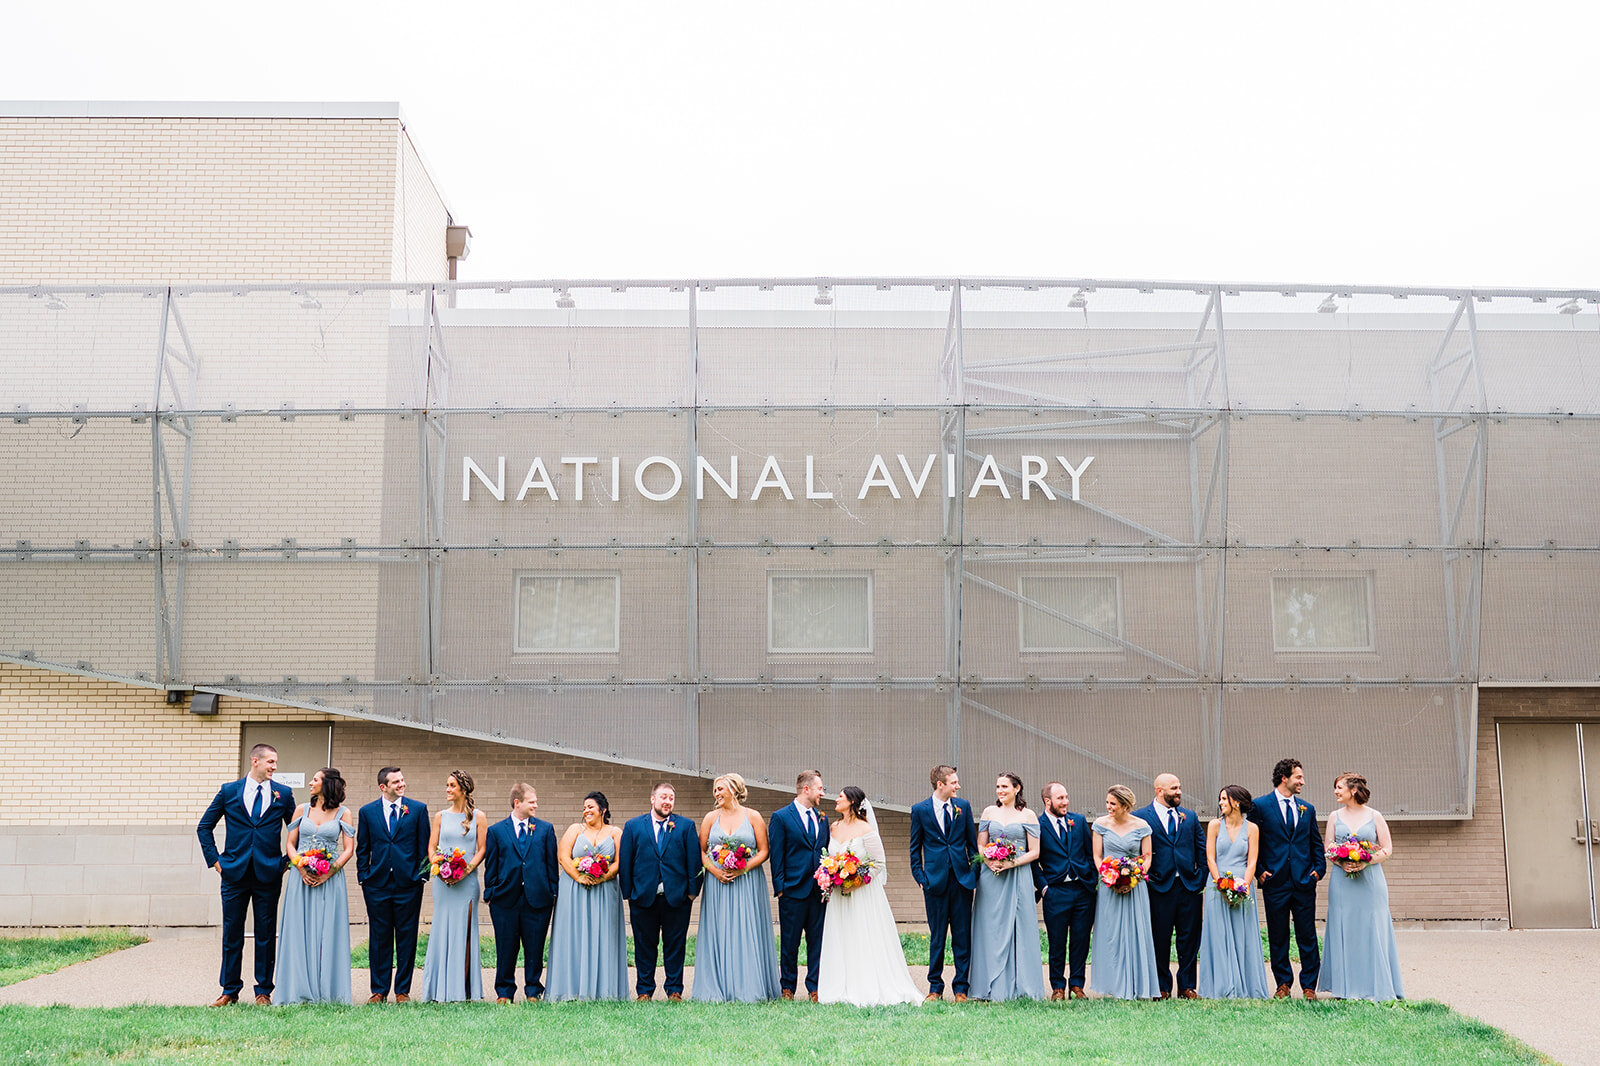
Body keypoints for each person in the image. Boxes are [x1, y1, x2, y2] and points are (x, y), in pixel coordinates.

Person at [196, 742, 295, 1006]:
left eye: (275, 762)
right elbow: (204, 827)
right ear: (255, 761)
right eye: (270, 762)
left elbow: (297, 831)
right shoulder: (229, 791)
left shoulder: (283, 794)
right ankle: (229, 990)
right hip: (233, 873)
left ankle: (263, 990)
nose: (274, 767)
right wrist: (216, 862)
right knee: (232, 934)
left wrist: (286, 862)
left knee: (265, 934)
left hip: (268, 874)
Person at [816, 786, 923, 1006]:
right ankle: (840, 985)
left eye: (841, 797)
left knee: (862, 936)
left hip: (862, 895)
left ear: (852, 802)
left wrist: (854, 883)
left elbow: (878, 864)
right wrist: (831, 875)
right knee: (841, 936)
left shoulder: (866, 829)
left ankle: (865, 984)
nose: (836, 799)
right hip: (838, 896)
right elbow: (829, 858)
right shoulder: (834, 827)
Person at [693, 772, 781, 1002]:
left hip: (748, 882)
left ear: (733, 789)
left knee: (747, 928)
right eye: (715, 790)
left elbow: (764, 851)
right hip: (717, 884)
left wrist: (743, 868)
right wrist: (715, 871)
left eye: (720, 789)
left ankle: (749, 986)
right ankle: (716, 986)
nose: (716, 794)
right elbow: (701, 851)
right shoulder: (710, 818)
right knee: (719, 929)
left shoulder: (753, 817)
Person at [1318, 772, 1404, 1001]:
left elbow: (1386, 849)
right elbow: (1328, 847)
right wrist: (1342, 861)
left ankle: (1377, 985)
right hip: (1341, 882)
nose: (1335, 791)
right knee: (1344, 927)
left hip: (1370, 882)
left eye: (1339, 787)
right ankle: (1343, 988)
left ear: (1353, 790)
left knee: (1372, 927)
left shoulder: (1375, 816)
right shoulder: (1335, 817)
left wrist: (1366, 860)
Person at [273, 767, 355, 1004]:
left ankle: (328, 991)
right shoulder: (302, 809)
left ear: (328, 784)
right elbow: (290, 843)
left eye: (316, 779)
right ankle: (297, 989)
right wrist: (299, 865)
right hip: (301, 879)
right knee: (300, 930)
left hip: (330, 880)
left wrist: (329, 872)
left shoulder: (344, 813)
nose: (311, 782)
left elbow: (349, 849)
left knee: (328, 931)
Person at [1249, 757, 1325, 999]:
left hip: (1304, 881)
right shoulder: (1260, 806)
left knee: (1307, 935)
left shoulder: (1307, 808)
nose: (1303, 781)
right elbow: (1253, 841)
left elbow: (1315, 842)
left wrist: (1318, 870)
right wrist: (1260, 871)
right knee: (1277, 934)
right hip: (1275, 882)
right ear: (1285, 778)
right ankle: (1283, 983)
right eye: (1298, 777)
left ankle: (1309, 985)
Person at [619, 781, 702, 1001]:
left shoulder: (685, 826)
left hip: (677, 899)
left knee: (675, 946)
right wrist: (628, 894)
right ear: (652, 799)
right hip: (643, 898)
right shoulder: (634, 826)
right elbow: (626, 862)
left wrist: (691, 894)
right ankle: (644, 990)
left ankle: (674, 989)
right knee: (644, 946)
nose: (667, 801)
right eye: (663, 797)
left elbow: (694, 863)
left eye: (671, 798)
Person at [355, 766, 429, 1003]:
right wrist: (364, 876)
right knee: (379, 938)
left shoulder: (417, 810)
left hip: (409, 884)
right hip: (376, 885)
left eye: (402, 780)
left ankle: (402, 991)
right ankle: (378, 990)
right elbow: (363, 848)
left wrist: (421, 876)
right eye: (396, 781)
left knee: (407, 937)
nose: (401, 784)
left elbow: (423, 847)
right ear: (383, 787)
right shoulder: (367, 812)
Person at [969, 772, 1044, 1001]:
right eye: (997, 786)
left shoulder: (1028, 815)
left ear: (1017, 788)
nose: (1000, 790)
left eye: (1004, 786)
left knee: (1017, 924)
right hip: (991, 875)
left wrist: (1011, 863)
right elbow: (980, 844)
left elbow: (1035, 851)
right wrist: (989, 860)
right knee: (989, 926)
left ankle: (1020, 985)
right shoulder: (989, 812)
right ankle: (987, 984)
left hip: (1017, 875)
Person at [547, 791, 629, 1001]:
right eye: (584, 808)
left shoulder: (615, 832)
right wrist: (579, 877)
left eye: (590, 807)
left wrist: (602, 878)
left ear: (603, 810)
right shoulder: (576, 829)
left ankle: (605, 990)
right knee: (573, 935)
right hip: (574, 891)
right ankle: (571, 988)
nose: (586, 811)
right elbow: (563, 856)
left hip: (605, 891)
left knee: (605, 934)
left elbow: (620, 862)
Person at [482, 782, 559, 1003]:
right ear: (518, 803)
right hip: (505, 900)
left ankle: (533, 990)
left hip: (538, 900)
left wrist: (552, 892)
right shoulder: (496, 831)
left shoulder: (545, 829)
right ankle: (504, 992)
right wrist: (491, 892)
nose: (536, 805)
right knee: (506, 947)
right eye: (531, 801)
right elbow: (492, 866)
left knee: (535, 948)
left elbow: (551, 864)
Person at [416, 769, 488, 1002]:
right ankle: (438, 989)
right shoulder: (440, 817)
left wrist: (465, 870)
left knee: (464, 933)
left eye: (451, 786)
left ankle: (464, 990)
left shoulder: (479, 817)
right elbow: (431, 848)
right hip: (443, 883)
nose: (447, 790)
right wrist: (440, 867)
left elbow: (482, 849)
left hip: (467, 884)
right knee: (442, 930)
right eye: (446, 785)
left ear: (463, 789)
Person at [908, 764, 978, 1002]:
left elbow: (972, 844)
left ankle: (961, 989)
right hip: (934, 884)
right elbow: (915, 848)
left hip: (961, 882)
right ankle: (935, 988)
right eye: (954, 782)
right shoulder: (920, 810)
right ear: (941, 785)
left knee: (962, 937)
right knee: (937, 937)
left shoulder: (963, 807)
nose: (958, 786)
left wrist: (973, 874)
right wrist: (921, 878)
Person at [1135, 772, 1205, 999]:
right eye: (1174, 788)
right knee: (1159, 938)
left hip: (1188, 887)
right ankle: (1162, 986)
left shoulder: (1190, 816)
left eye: (1179, 787)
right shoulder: (1141, 817)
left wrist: (1199, 879)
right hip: (1158, 886)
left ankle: (1187, 986)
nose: (1179, 792)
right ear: (1159, 791)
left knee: (1189, 939)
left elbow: (1201, 850)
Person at [1198, 785, 1271, 999]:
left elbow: (1252, 861)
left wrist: (1244, 886)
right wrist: (1219, 882)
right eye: (1220, 799)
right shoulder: (1213, 825)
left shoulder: (1252, 829)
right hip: (1216, 883)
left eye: (1224, 799)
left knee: (1243, 933)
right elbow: (1210, 857)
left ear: (1236, 802)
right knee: (1218, 934)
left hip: (1242, 884)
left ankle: (1246, 986)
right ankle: (1220, 986)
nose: (1220, 803)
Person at [1088, 784, 1161, 1000]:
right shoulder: (1100, 824)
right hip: (1109, 887)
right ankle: (1113, 984)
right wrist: (1109, 877)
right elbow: (1097, 856)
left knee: (1136, 932)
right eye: (1108, 802)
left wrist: (1134, 878)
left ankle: (1138, 984)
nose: (1108, 807)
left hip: (1135, 887)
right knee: (1112, 934)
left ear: (1125, 805)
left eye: (1113, 804)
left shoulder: (1142, 826)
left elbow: (1147, 856)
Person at [768, 769, 828, 1001]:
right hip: (792, 891)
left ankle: (814, 987)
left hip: (818, 891)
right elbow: (777, 855)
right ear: (806, 789)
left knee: (817, 942)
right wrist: (781, 887)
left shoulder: (822, 818)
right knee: (789, 943)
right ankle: (788, 988)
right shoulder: (781, 817)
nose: (822, 792)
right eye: (819, 788)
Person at [1032, 782, 1097, 1000]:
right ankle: (1058, 987)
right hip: (1055, 891)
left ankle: (1077, 986)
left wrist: (1091, 879)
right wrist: (1044, 887)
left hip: (1082, 890)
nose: (1065, 802)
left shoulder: (1077, 821)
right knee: (1057, 942)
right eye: (1060, 798)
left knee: (1080, 940)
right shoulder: (1037, 824)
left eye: (1066, 797)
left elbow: (1089, 852)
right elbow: (1034, 861)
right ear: (1047, 801)